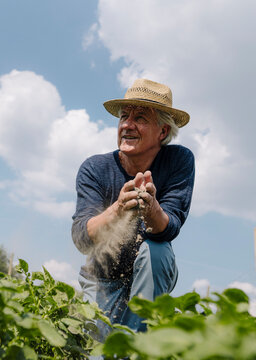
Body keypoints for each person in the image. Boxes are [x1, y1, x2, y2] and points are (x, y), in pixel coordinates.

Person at [71, 79, 195, 336]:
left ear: (162, 132)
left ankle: (140, 346)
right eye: (124, 117)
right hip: (102, 280)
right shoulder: (95, 169)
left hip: (151, 275)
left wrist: (151, 209)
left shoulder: (178, 161)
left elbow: (169, 227)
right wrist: (118, 210)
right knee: (99, 349)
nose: (127, 124)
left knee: (156, 250)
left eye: (140, 118)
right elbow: (82, 238)